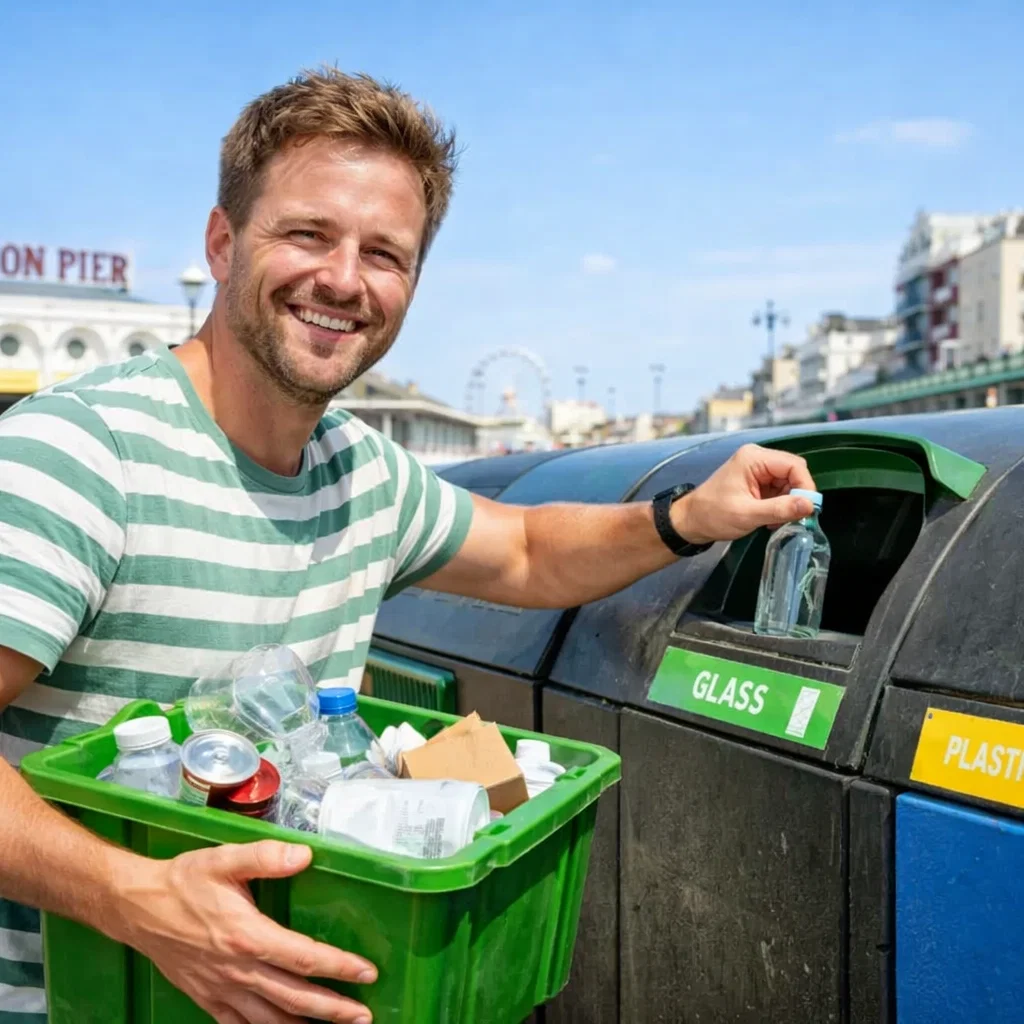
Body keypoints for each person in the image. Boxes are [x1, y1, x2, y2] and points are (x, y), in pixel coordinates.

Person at [0, 68, 816, 1024]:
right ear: (223, 244)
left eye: (385, 253)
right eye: (307, 233)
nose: (344, 280)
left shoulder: (362, 474)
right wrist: (137, 903)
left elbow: (525, 551)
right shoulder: (80, 455)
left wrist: (684, 517)